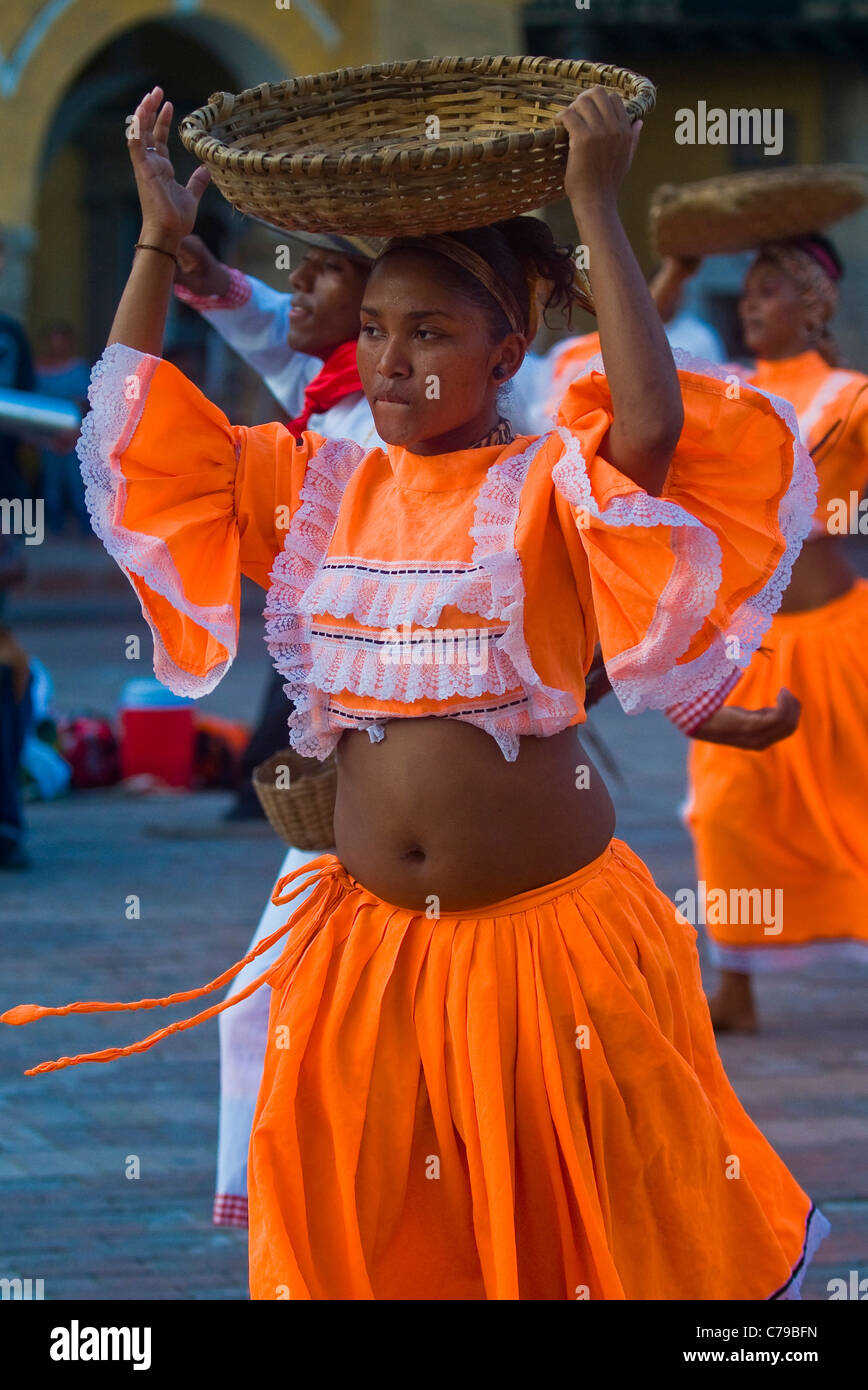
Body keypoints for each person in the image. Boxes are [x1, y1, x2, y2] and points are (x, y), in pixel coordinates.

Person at [6, 84, 827, 1300]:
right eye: (378, 328)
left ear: (506, 355)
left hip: (547, 948)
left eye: (431, 332)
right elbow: (137, 437)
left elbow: (651, 422)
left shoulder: (554, 482)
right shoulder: (314, 485)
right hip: (363, 953)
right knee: (385, 1246)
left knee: (568, 1244)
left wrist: (597, 197)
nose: (391, 358)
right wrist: (157, 242)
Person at [176, 231, 383, 1227]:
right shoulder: (332, 397)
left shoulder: (406, 424)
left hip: (407, 776)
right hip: (351, 769)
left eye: (323, 271)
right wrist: (170, 259)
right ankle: (314, 1211)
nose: (294, 289)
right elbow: (267, 337)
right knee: (268, 1004)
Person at [684, 233, 868, 1031]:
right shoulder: (729, 395)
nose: (749, 304)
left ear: (815, 304)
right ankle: (738, 989)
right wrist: (673, 269)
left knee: (855, 810)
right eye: (746, 291)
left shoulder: (851, 398)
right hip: (746, 646)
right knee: (721, 809)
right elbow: (623, 373)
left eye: (768, 289)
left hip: (840, 639)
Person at [34, 321, 91, 535]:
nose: (57, 345)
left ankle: (87, 529)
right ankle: (55, 528)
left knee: (77, 480)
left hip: (74, 434)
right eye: (53, 339)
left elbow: (87, 400)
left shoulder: (78, 368)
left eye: (61, 339)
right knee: (52, 481)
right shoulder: (38, 369)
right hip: (48, 434)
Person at [0, 231, 36, 505]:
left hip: (7, 436)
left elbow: (26, 384)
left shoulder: (11, 330)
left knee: (14, 500)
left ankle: (14, 542)